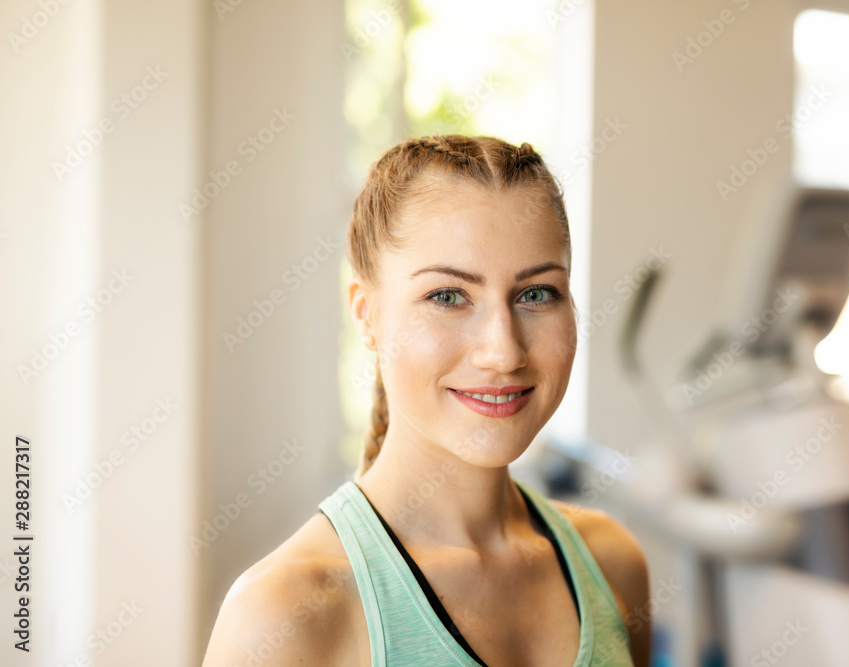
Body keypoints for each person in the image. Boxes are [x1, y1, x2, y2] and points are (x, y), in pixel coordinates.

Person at [202, 135, 651, 666]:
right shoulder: (286, 614)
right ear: (367, 315)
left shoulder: (611, 563)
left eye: (536, 293)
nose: (503, 352)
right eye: (447, 296)